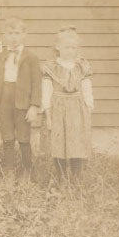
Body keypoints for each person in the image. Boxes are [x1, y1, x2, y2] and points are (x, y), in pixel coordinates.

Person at [0, 17, 43, 179]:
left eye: (17, 33)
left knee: (23, 137)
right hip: (4, 99)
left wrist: (34, 106)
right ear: (5, 35)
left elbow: (36, 83)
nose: (13, 37)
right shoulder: (1, 56)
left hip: (22, 101)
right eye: (10, 33)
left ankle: (28, 171)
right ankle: (9, 171)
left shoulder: (31, 57)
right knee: (7, 137)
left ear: (24, 35)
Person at [41, 27, 94, 183]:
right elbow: (46, 90)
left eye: (73, 48)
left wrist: (89, 106)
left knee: (77, 142)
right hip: (58, 109)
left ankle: (76, 177)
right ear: (58, 47)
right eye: (67, 47)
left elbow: (86, 87)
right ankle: (61, 177)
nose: (70, 51)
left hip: (77, 109)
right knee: (59, 143)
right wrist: (47, 112)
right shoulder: (51, 67)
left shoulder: (81, 66)